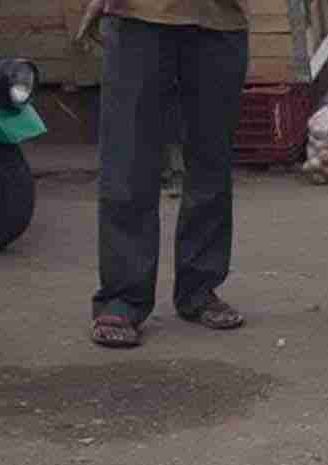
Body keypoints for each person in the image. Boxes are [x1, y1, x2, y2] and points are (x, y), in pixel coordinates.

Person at [78, 0, 249, 348]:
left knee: (210, 159)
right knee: (129, 159)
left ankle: (199, 289)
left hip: (221, 19)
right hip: (139, 14)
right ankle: (123, 299)